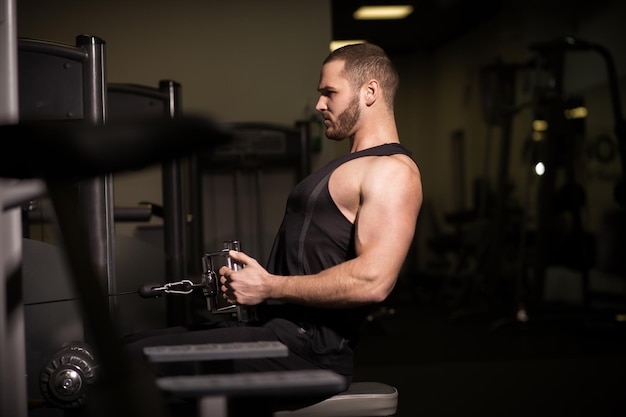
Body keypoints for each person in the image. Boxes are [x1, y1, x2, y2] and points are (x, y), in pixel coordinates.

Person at [123, 42, 422, 388]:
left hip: (307, 353)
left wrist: (268, 286)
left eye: (330, 93)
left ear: (370, 91)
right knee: (124, 349)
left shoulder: (392, 172)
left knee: (128, 367)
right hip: (275, 333)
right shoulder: (356, 165)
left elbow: (374, 281)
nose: (319, 104)